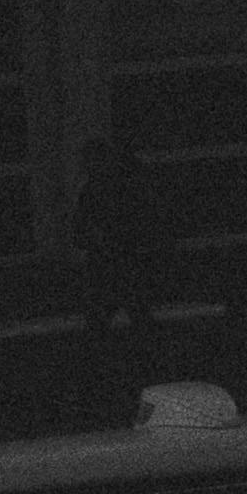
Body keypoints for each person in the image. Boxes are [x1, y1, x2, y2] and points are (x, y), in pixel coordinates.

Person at [66, 128, 178, 344]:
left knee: (123, 318)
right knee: (123, 318)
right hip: (112, 266)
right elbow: (79, 234)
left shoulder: (116, 191)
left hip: (118, 264)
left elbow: (142, 224)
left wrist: (108, 240)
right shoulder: (97, 192)